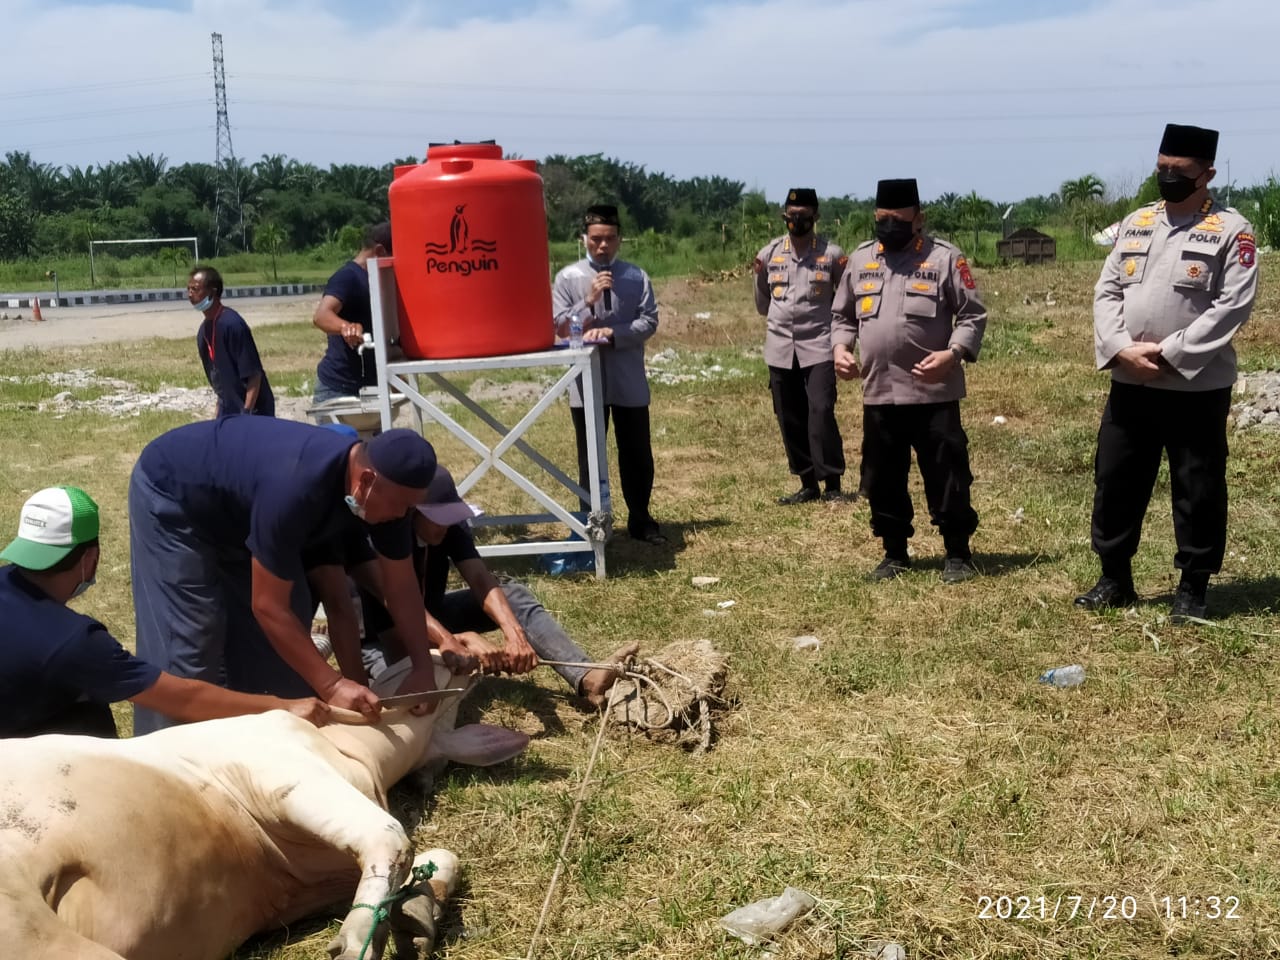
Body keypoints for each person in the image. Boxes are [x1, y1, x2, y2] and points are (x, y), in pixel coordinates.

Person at [128, 419, 456, 734]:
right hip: (175, 497)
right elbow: (269, 606)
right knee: (191, 642)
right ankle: (169, 764)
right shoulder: (296, 486)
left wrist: (422, 668)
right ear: (366, 481)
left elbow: (400, 587)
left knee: (287, 678)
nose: (402, 516)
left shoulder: (392, 497)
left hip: (242, 515)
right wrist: (333, 683)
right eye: (400, 505)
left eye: (411, 507)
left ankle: (253, 760)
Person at [1075, 123, 1257, 622]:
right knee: (1116, 478)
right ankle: (1115, 577)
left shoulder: (1232, 231)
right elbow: (1107, 291)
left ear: (1207, 173)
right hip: (1130, 380)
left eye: (1179, 171)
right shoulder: (1137, 222)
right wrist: (1119, 349)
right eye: (1161, 169)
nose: (1168, 177)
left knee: (1196, 486)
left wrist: (1170, 353)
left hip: (1195, 386)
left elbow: (1231, 306)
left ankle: (1193, 588)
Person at [0, 486, 326, 738]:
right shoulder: (74, 642)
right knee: (90, 713)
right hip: (16, 766)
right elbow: (184, 699)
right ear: (90, 558)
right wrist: (283, 706)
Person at [315, 466, 637, 707]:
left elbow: (481, 579)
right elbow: (399, 619)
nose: (445, 525)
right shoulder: (382, 539)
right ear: (411, 512)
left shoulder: (447, 528)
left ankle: (585, 675)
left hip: (433, 615)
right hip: (381, 637)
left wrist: (514, 634)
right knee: (417, 695)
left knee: (515, 597)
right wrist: (459, 641)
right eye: (436, 518)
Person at [832, 178, 987, 583]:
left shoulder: (944, 259)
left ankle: (957, 552)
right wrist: (840, 349)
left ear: (918, 219)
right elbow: (842, 316)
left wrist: (952, 354)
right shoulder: (861, 260)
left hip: (933, 391)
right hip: (880, 391)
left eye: (897, 220)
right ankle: (894, 550)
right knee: (883, 475)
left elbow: (972, 314)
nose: (888, 226)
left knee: (948, 472)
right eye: (882, 219)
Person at [551, 203, 665, 545]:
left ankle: (641, 517)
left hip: (627, 377)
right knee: (591, 454)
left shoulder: (635, 276)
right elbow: (558, 327)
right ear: (584, 239)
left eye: (610, 239)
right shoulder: (568, 278)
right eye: (596, 239)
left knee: (636, 453)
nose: (602, 246)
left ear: (619, 240)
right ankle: (593, 520)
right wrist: (588, 302)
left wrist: (614, 333)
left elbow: (649, 321)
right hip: (586, 383)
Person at [753, 187, 849, 504]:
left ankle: (832, 483)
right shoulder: (768, 255)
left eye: (804, 217)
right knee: (789, 415)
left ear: (815, 218)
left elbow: (845, 297)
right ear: (784, 217)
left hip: (820, 344)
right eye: (792, 217)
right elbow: (762, 302)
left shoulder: (831, 255)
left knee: (820, 410)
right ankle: (808, 482)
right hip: (780, 347)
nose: (797, 222)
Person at [312, 223, 393, 411]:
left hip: (369, 386)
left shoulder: (375, 279)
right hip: (338, 388)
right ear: (380, 251)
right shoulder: (348, 277)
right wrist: (345, 327)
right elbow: (321, 316)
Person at [189, 265, 274, 418]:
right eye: (188, 289)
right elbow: (220, 383)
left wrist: (247, 413)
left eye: (195, 289)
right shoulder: (203, 332)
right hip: (228, 411)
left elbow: (254, 375)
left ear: (212, 292)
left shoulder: (232, 324)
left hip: (253, 412)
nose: (190, 294)